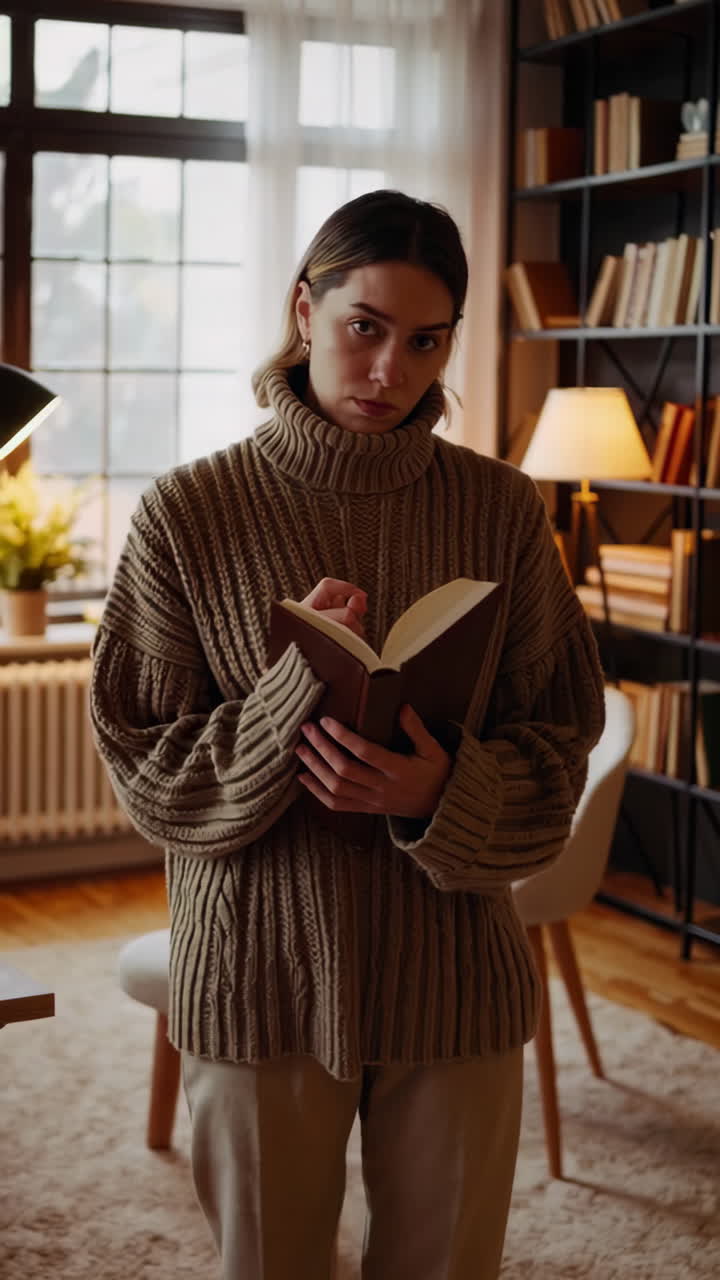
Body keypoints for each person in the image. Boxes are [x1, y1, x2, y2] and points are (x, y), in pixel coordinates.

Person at [90, 189, 605, 1280]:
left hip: (456, 972)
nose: (390, 371)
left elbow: (561, 749)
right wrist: (291, 694)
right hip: (258, 971)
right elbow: (149, 771)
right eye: (364, 327)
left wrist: (435, 793)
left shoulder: (505, 511)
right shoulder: (188, 510)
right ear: (303, 308)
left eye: (426, 341)